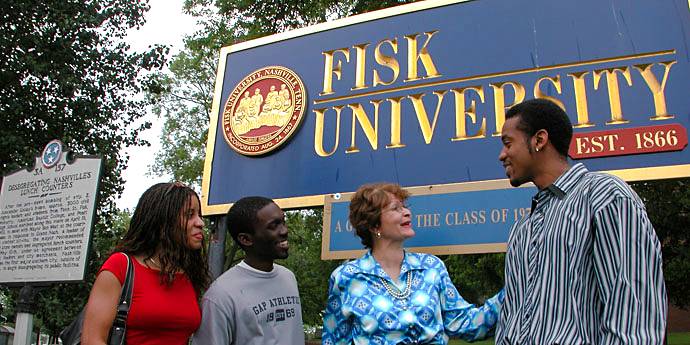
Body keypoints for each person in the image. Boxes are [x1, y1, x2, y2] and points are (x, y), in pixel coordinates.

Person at [495, 98, 667, 344]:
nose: (502, 155)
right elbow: (510, 320)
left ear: (539, 140)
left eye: (508, 143)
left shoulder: (604, 196)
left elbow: (632, 316)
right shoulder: (522, 229)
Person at [322, 183, 504, 345]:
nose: (407, 212)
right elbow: (334, 339)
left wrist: (513, 291)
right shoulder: (346, 277)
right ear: (374, 225)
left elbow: (463, 323)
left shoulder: (432, 267)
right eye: (396, 208)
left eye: (405, 207)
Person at [81, 182, 210, 345]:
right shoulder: (120, 266)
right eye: (189, 215)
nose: (200, 223)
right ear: (163, 221)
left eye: (199, 215)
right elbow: (92, 339)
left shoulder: (189, 274)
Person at [192, 196, 304, 345]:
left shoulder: (288, 277)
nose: (284, 231)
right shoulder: (220, 296)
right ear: (246, 239)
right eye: (273, 226)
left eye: (283, 222)